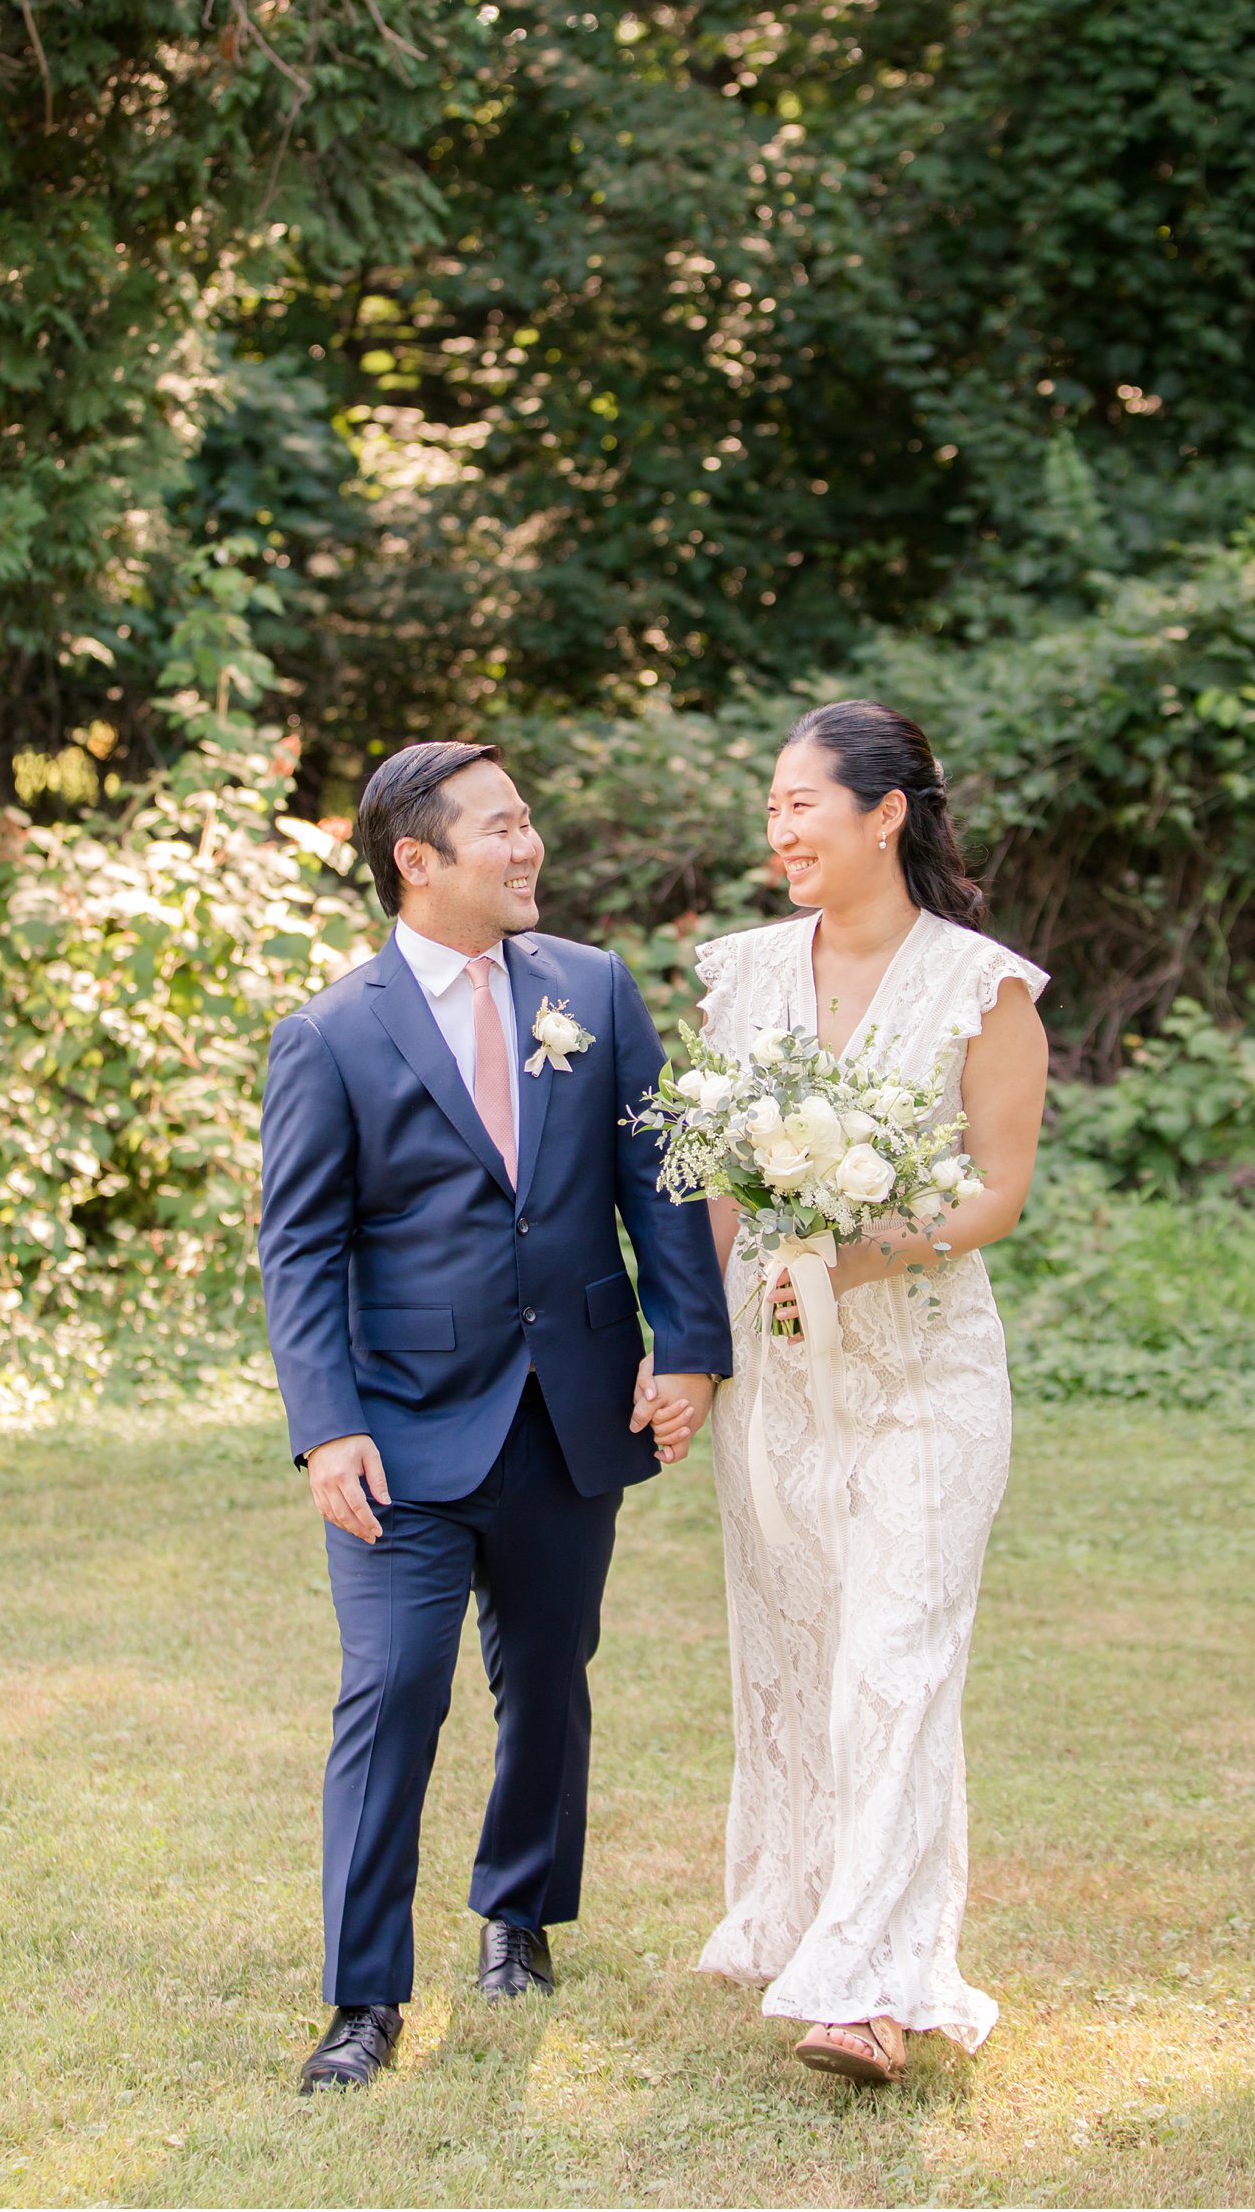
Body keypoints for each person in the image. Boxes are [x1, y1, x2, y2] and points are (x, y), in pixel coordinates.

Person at [259, 740, 732, 2095]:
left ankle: (517, 1912)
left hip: (570, 1408)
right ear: (420, 859)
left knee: (549, 1674)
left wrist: (689, 1349)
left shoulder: (591, 986)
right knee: (392, 1688)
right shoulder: (331, 1033)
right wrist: (326, 1421)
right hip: (399, 1431)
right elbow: (300, 1248)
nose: (530, 847)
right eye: (502, 828)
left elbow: (663, 1175)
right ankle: (363, 1996)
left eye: (528, 821)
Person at [677, 698, 1048, 2085]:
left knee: (896, 1658)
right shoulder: (746, 976)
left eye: (801, 805)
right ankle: (809, 1913)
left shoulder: (982, 988)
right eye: (769, 808)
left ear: (885, 812)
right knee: (799, 1653)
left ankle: (875, 1989)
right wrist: (709, 1345)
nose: (779, 831)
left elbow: (998, 1192)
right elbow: (718, 1177)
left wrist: (857, 1251)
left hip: (925, 1379)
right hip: (782, 1378)